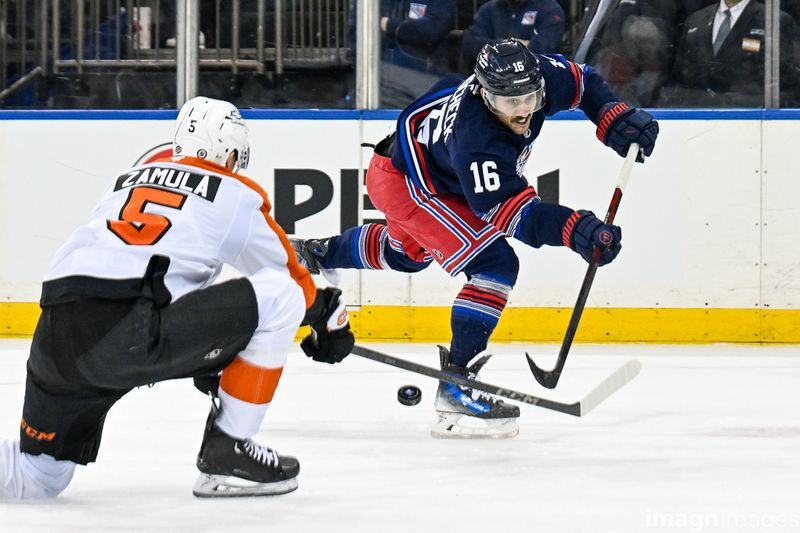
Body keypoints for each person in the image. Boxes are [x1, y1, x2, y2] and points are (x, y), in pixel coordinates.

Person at [292, 39, 658, 439]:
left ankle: (321, 252)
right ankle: (457, 383)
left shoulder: (539, 78)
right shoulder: (477, 141)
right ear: (485, 95)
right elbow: (518, 216)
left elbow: (584, 83)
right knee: (494, 263)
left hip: (417, 167)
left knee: (407, 256)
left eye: (529, 98)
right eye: (508, 102)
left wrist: (612, 115)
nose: (521, 110)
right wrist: (577, 229)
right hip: (408, 182)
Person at [0, 96, 354, 499]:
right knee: (283, 295)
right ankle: (228, 450)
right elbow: (292, 282)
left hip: (57, 329)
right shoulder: (234, 191)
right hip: (129, 328)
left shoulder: (123, 181)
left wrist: (221, 354)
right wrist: (326, 314)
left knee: (36, 477)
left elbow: (150, 266)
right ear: (232, 152)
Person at [672, 0, 800, 107]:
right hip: (694, 120)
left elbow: (788, 87)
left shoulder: (773, 20)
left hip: (749, 121)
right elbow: (681, 79)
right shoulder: (695, 21)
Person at [461, 0, 566, 68]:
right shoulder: (489, 9)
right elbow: (469, 44)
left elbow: (542, 51)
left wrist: (492, 48)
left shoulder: (550, 10)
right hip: (491, 83)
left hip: (535, 85)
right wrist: (509, 44)